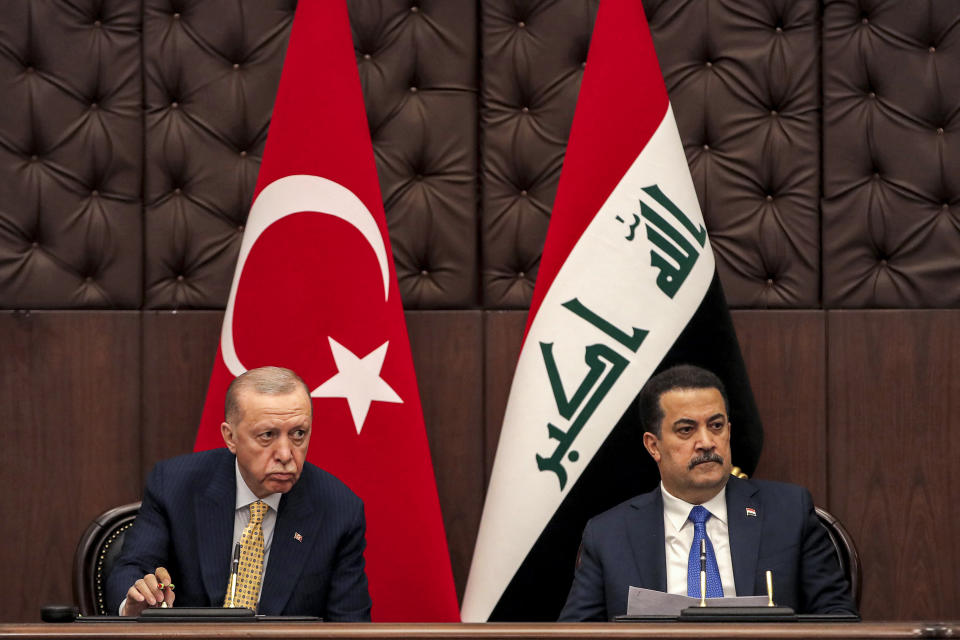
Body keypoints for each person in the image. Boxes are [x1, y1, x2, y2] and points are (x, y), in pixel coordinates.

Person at [559, 364, 857, 621]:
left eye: (715, 426)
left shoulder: (788, 512)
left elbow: (837, 619)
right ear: (653, 445)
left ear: (728, 430)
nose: (706, 442)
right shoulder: (610, 534)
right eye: (686, 430)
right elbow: (574, 636)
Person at [106, 366, 372, 621]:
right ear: (230, 437)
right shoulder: (175, 485)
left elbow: (349, 626)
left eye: (298, 434)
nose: (285, 454)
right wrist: (135, 602)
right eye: (267, 435)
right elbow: (132, 568)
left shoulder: (338, 510)